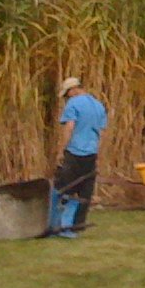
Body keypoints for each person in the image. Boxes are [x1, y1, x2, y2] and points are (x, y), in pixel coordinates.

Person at [53, 77, 107, 235]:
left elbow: (69, 127)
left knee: (65, 188)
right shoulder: (98, 105)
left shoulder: (73, 103)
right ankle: (77, 226)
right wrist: (99, 152)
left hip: (74, 151)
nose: (67, 98)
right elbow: (102, 133)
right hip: (91, 153)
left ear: (73, 90)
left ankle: (60, 224)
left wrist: (61, 150)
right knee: (85, 191)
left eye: (67, 94)